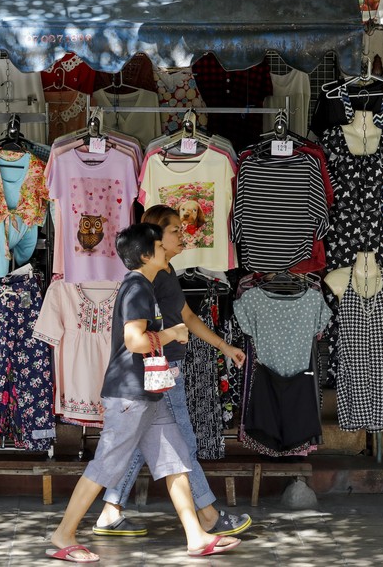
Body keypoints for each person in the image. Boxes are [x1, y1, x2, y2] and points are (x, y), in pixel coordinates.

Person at [47, 223, 242, 563]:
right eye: (161, 243)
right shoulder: (137, 288)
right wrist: (172, 334)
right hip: (130, 395)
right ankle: (63, 534)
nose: (169, 246)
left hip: (150, 392)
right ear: (146, 254)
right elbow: (135, 341)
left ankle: (196, 536)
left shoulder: (146, 286)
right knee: (107, 465)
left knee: (176, 460)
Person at [93, 205, 251, 538]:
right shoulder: (153, 276)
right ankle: (206, 515)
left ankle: (111, 510)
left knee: (147, 443)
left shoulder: (164, 271)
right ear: (155, 237)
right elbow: (161, 328)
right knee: (180, 442)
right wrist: (185, 340)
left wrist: (223, 346)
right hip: (160, 368)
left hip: (163, 367)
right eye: (175, 230)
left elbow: (189, 318)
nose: (183, 235)